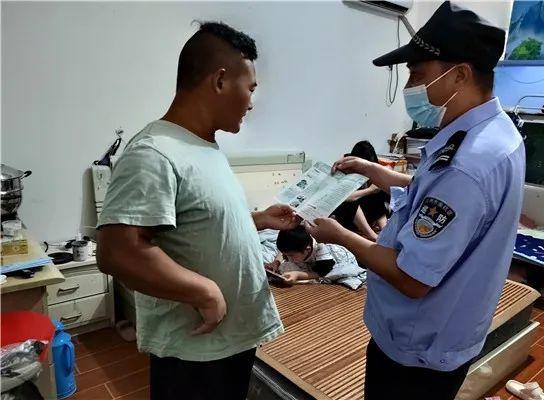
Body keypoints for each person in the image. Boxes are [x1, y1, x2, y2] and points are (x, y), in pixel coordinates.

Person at [306, 2, 525, 399]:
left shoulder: (466, 165)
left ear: (460, 74)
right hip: (447, 330)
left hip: (417, 347)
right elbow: (436, 192)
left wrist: (340, 235)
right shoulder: (495, 131)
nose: (409, 87)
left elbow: (412, 278)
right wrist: (379, 173)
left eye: (417, 74)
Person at [96, 22, 298, 400]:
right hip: (195, 353)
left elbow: (197, 221)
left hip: (227, 341)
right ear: (220, 80)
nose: (251, 102)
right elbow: (117, 250)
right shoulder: (154, 152)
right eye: (251, 88)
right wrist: (203, 291)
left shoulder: (203, 147)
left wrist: (257, 220)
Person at [332, 140, 389, 241]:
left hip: (367, 212)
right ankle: (372, 235)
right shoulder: (344, 169)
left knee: (378, 192)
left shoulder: (372, 169)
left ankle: (385, 231)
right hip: (349, 215)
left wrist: (375, 188)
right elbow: (342, 197)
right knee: (350, 201)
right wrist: (369, 190)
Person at [272, 225, 357, 285]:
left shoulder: (321, 250)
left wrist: (298, 274)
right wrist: (276, 262)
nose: (289, 258)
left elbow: (321, 272)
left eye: (292, 256)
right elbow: (283, 253)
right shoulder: (298, 247)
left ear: (307, 249)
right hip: (314, 262)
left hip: (340, 261)